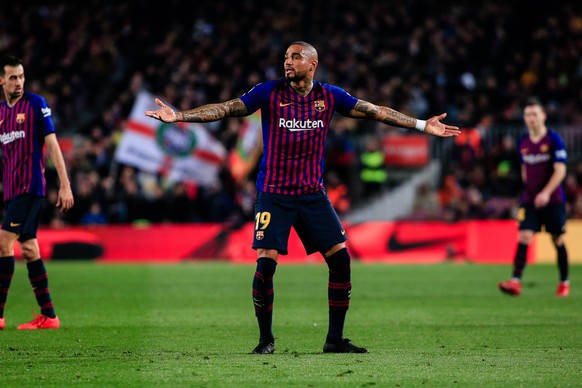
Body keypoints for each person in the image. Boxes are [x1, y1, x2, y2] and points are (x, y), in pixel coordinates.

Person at [145, 41, 460, 354]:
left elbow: (375, 111)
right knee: (266, 266)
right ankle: (265, 340)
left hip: (312, 195)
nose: (288, 62)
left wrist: (421, 124)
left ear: (313, 64)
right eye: (285, 57)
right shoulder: (268, 93)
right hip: (274, 194)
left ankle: (334, 340)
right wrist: (180, 116)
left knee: (341, 261)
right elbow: (226, 108)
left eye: (296, 57)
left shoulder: (329, 96)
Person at [0, 55, 74, 330]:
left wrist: (65, 184)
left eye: (21, 76)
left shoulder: (35, 104)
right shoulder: (0, 113)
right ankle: (49, 316)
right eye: (12, 77)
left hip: (30, 188)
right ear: (2, 80)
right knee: (29, 249)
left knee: (3, 242)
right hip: (11, 192)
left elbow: (53, 146)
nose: (18, 82)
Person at [498, 98, 569, 297]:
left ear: (543, 116)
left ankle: (564, 282)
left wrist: (546, 192)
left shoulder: (553, 140)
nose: (531, 119)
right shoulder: (523, 141)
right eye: (528, 115)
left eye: (535, 114)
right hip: (530, 200)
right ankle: (515, 282)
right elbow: (524, 170)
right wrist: (527, 191)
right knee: (524, 235)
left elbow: (561, 170)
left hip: (553, 199)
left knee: (558, 240)